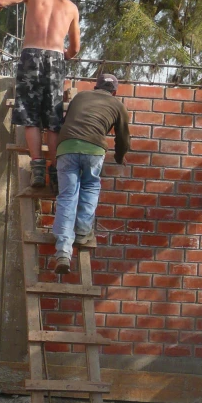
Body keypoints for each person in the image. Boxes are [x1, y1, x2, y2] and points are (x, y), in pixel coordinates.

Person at [0, 0, 80, 189]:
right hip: (56, 59)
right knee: (53, 120)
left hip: (31, 55)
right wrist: (65, 55)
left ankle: (38, 169)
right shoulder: (71, 7)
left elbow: (2, 0)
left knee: (30, 117)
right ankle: (56, 170)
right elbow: (75, 48)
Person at [51, 74, 130, 274]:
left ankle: (62, 251)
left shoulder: (80, 97)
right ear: (114, 92)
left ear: (96, 87)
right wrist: (120, 157)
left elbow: (65, 122)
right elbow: (123, 138)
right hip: (94, 149)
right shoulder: (117, 104)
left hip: (67, 146)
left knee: (67, 196)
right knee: (90, 187)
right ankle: (83, 233)